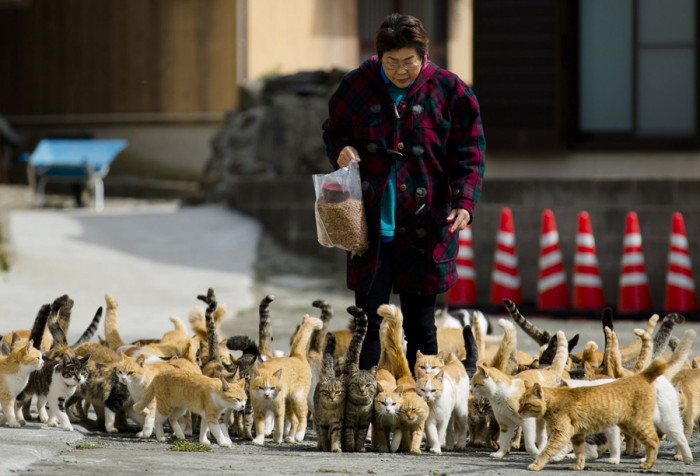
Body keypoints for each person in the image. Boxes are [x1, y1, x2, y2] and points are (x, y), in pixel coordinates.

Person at [322, 13, 485, 373]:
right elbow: (333, 131)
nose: (400, 70)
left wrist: (464, 203)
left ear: (424, 55)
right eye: (391, 62)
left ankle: (421, 413)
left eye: (408, 61)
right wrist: (340, 150)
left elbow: (470, 154)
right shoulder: (356, 86)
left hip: (427, 226)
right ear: (379, 57)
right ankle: (365, 412)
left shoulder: (451, 91)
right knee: (367, 326)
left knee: (422, 329)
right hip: (369, 230)